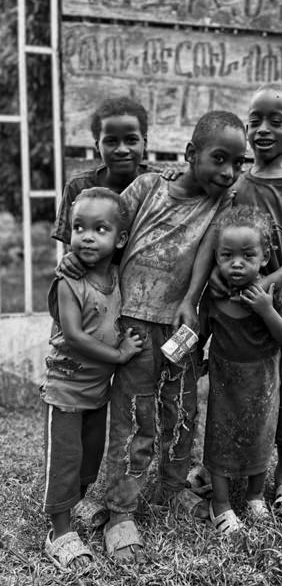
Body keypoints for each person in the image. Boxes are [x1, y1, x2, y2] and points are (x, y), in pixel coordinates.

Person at [58, 110, 247, 562]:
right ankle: (121, 510)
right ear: (189, 154)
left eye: (237, 163)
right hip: (135, 326)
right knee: (134, 418)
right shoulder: (147, 188)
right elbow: (109, 233)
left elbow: (207, 247)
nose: (228, 171)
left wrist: (192, 299)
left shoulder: (223, 203)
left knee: (182, 411)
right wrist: (76, 260)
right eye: (219, 158)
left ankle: (173, 489)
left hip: (182, 329)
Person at [186, 83, 282, 519]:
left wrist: (270, 283)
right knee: (231, 394)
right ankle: (219, 467)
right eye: (255, 120)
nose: (263, 128)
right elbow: (215, 234)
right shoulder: (237, 184)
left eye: (276, 120)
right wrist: (214, 274)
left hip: (276, 303)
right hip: (230, 302)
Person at [41, 187, 143, 571]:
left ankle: (77, 506)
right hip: (65, 391)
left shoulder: (119, 278)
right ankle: (59, 531)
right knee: (64, 463)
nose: (86, 235)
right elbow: (74, 335)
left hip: (97, 395)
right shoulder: (70, 282)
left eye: (99, 229)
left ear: (119, 240)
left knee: (88, 462)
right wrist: (119, 355)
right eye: (78, 227)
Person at [199, 206, 282, 535]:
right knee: (219, 439)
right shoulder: (214, 297)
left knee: (261, 437)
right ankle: (221, 504)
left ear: (264, 256)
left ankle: (255, 495)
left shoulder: (274, 294)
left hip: (263, 385)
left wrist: (266, 310)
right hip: (225, 385)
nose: (237, 263)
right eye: (227, 255)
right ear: (216, 256)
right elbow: (198, 334)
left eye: (248, 255)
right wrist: (182, 360)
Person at [52, 96, 155, 248]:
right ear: (97, 146)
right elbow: (72, 249)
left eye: (131, 140)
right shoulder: (79, 187)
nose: (122, 150)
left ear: (144, 143)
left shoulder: (160, 184)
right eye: (111, 141)